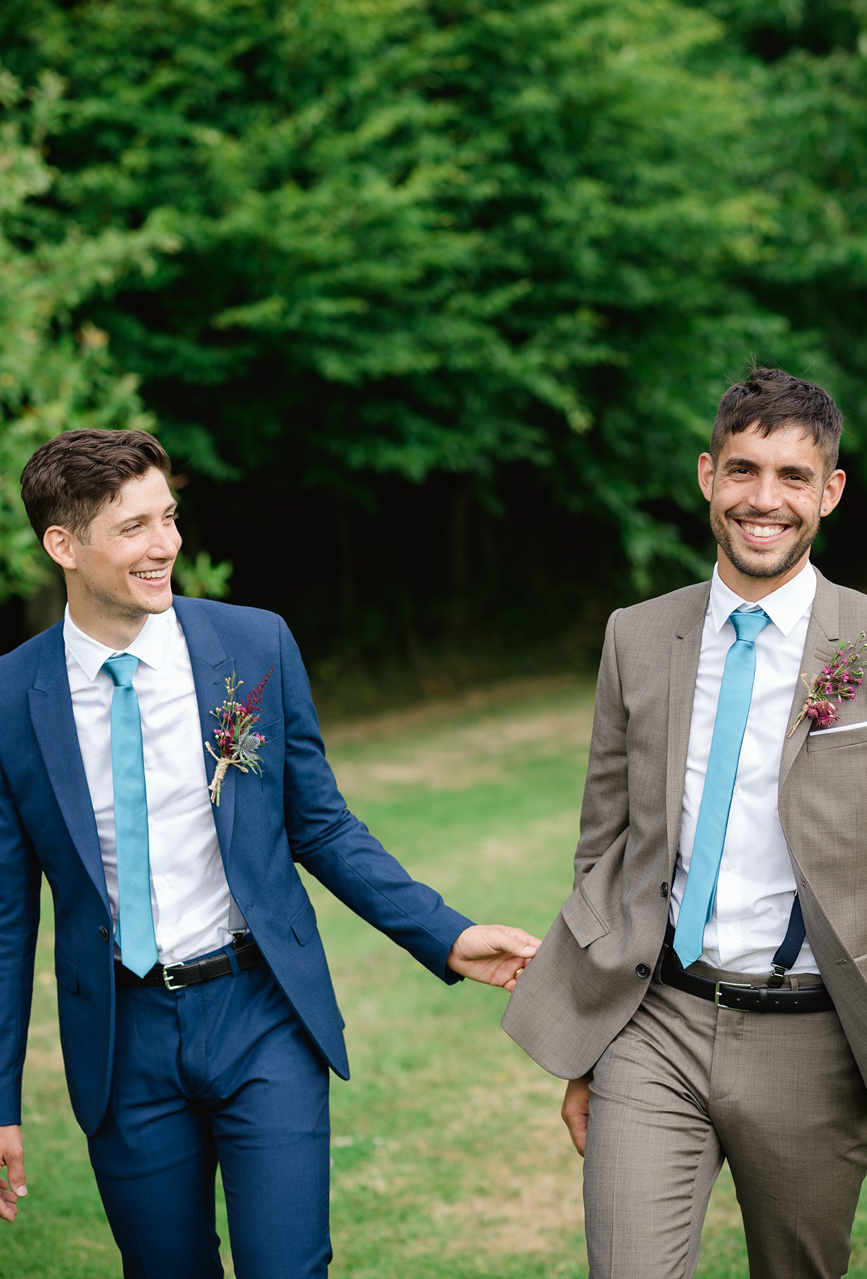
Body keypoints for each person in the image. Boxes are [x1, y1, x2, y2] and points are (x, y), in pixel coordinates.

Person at [0, 428, 539, 1278]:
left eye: (169, 517)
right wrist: (1, 1104)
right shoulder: (10, 700)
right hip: (121, 1039)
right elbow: (6, 918)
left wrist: (443, 932)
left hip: (262, 1014)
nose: (166, 545)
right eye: (134, 527)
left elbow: (320, 826)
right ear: (63, 545)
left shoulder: (253, 648)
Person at [502, 367, 867, 1278]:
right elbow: (605, 850)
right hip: (655, 1021)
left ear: (828, 492)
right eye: (745, 470)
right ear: (708, 476)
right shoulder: (637, 635)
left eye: (794, 477)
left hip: (815, 1038)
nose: (765, 499)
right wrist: (588, 1044)